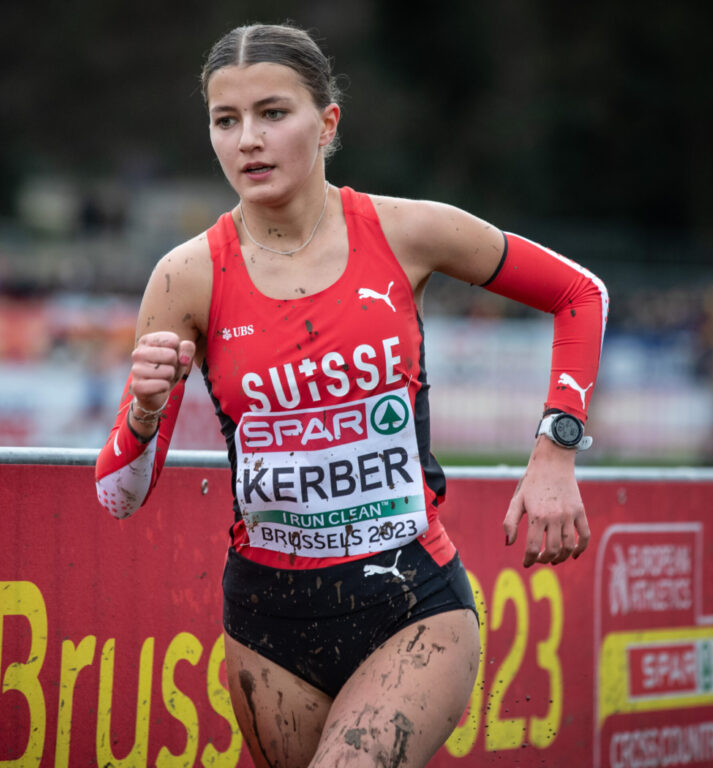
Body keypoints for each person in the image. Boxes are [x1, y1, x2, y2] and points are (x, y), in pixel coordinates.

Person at [95, 22, 608, 768]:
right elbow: (118, 497)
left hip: (411, 604)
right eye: (225, 120)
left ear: (327, 121)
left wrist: (555, 450)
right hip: (267, 625)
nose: (248, 142)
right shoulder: (186, 277)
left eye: (273, 114)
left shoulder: (406, 231)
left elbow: (578, 293)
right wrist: (143, 414)